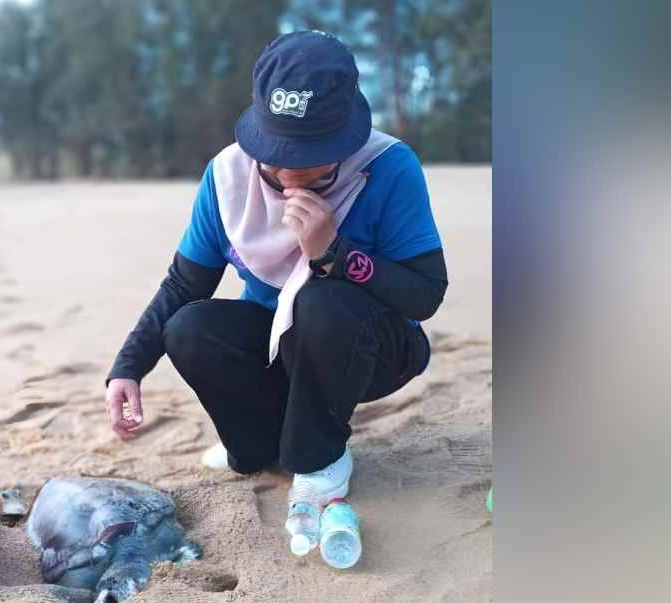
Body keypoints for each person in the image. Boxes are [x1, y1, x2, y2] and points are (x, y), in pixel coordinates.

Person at [104, 31, 448, 538]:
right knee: (189, 327)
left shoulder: (388, 168)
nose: (288, 176)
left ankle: (321, 458)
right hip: (278, 347)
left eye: (311, 162)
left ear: (347, 138)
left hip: (371, 348)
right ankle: (259, 446)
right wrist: (128, 366)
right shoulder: (227, 176)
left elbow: (426, 293)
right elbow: (184, 283)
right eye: (275, 156)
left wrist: (336, 252)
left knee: (323, 299)